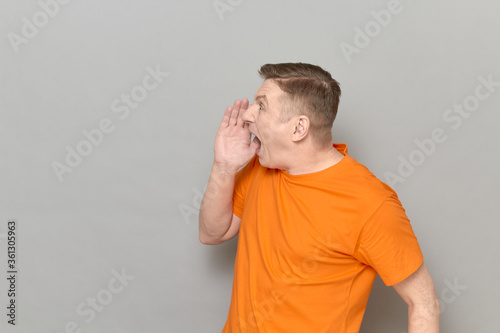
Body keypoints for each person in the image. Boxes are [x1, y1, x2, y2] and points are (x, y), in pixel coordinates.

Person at [199, 63, 440, 332]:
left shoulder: (371, 204)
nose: (247, 114)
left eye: (261, 106)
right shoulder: (261, 167)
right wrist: (224, 166)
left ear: (299, 128)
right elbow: (213, 233)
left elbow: (424, 302)